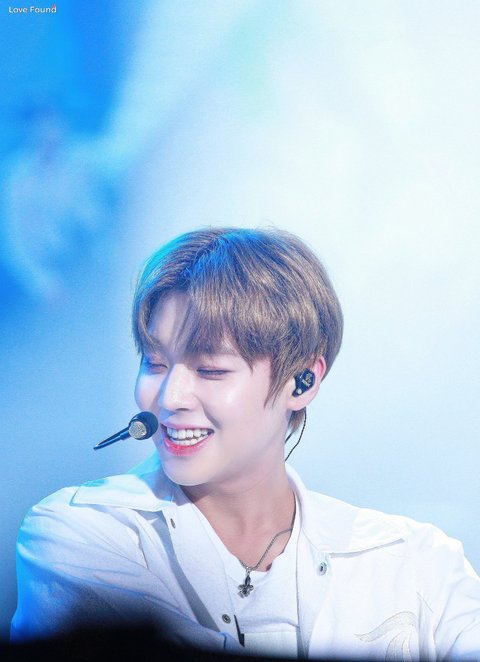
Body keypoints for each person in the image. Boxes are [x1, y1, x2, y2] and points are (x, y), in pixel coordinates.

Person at [11, 227, 480, 659]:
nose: (169, 398)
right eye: (155, 363)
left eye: (211, 369)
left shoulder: (418, 564)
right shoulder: (80, 531)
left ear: (302, 381)